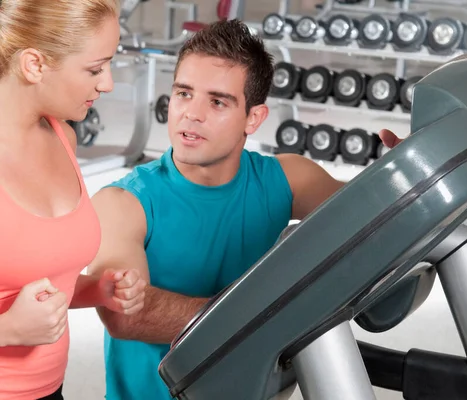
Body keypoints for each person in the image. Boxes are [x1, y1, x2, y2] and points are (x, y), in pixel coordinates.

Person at [87, 19, 401, 399]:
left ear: (253, 118)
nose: (191, 113)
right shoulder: (122, 202)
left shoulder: (287, 179)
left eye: (217, 101)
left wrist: (403, 173)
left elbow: (373, 219)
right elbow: (125, 316)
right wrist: (274, 320)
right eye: (184, 94)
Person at [0, 1, 147, 399]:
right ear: (34, 65)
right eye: (95, 69)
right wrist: (9, 329)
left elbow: (37, 278)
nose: (108, 83)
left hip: (49, 390)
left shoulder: (62, 136)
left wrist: (97, 291)